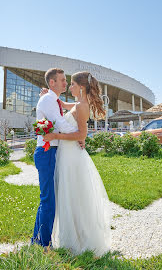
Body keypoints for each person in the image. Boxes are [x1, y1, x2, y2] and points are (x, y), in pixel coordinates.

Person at [44, 71, 111, 256]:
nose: (69, 87)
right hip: (68, 153)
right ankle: (72, 236)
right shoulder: (78, 103)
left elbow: (82, 135)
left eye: (72, 84)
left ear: (81, 87)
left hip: (72, 155)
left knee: (72, 194)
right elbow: (62, 104)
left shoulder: (82, 106)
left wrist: (55, 135)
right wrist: (48, 95)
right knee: (70, 193)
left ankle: (78, 239)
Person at [31, 68, 79, 248]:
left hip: (50, 151)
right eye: (62, 80)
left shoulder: (52, 100)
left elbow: (57, 123)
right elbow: (61, 125)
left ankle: (37, 241)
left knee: (47, 199)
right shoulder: (48, 100)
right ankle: (43, 245)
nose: (66, 83)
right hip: (46, 151)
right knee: (48, 201)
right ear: (52, 83)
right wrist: (80, 134)